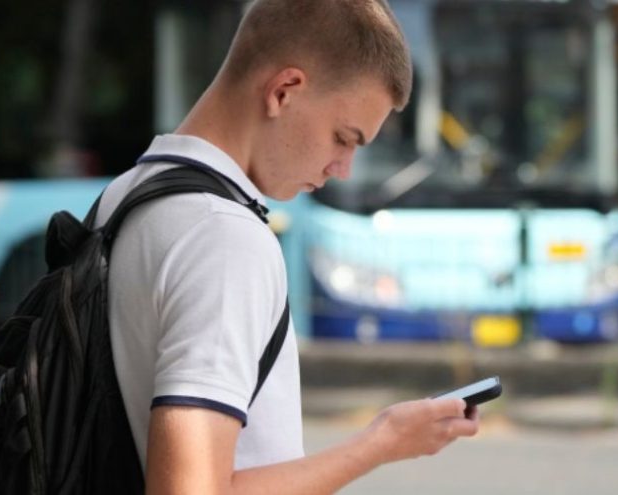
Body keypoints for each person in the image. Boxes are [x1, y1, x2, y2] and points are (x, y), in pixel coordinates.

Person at [92, 0, 480, 492]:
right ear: (284, 91)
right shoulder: (223, 238)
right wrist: (380, 443)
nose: (343, 168)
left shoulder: (125, 195)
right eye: (344, 138)